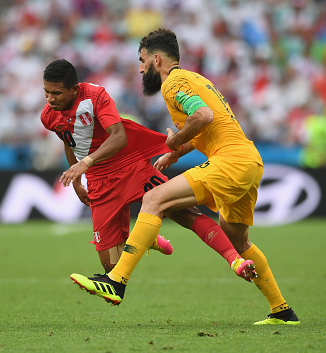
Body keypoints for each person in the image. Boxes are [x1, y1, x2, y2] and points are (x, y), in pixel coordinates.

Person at [69, 29, 300, 326]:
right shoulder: (196, 79)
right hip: (249, 161)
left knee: (154, 198)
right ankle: (281, 309)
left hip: (230, 161)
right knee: (237, 239)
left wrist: (174, 141)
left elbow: (203, 116)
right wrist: (177, 152)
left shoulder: (173, 83)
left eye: (142, 61)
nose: (140, 68)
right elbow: (211, 124)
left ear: (156, 59)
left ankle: (117, 280)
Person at [41, 59, 257, 278]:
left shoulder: (95, 95)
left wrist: (85, 164)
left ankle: (234, 259)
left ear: (74, 89)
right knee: (111, 269)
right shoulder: (48, 116)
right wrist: (77, 181)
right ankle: (148, 236)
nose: (50, 99)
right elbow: (70, 142)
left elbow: (119, 137)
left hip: (130, 167)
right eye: (46, 92)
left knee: (184, 213)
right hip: (100, 181)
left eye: (56, 93)